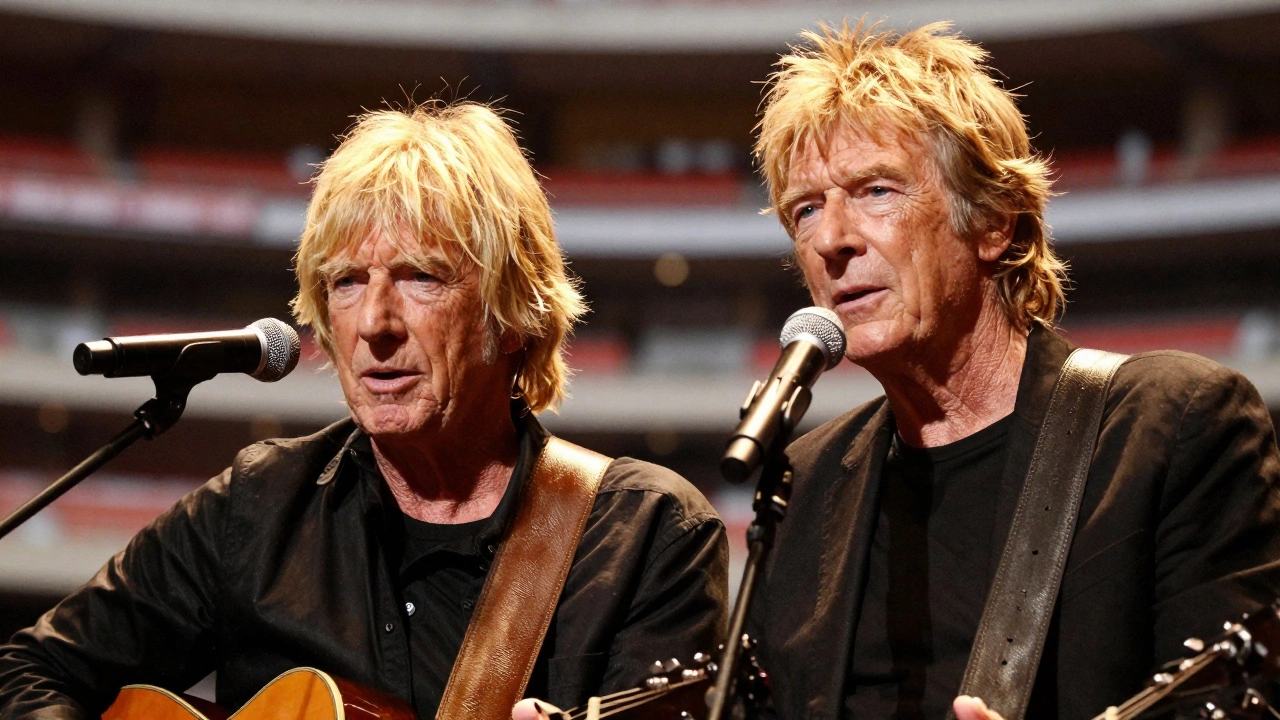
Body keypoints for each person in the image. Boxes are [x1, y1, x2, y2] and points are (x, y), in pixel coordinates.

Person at [0, 103, 728, 720]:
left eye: (421, 276)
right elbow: (27, 672)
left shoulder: (645, 537)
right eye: (346, 282)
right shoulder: (256, 507)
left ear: (513, 315)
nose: (375, 323)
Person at [740, 20, 1280, 720]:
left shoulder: (1172, 428)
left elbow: (1236, 704)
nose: (832, 240)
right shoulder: (802, 485)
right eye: (807, 210)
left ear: (994, 222)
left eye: (876, 191)